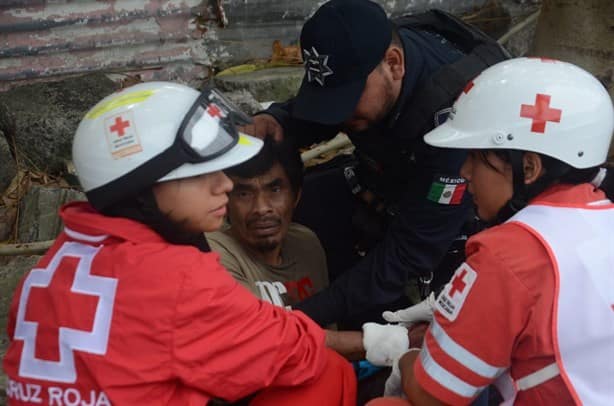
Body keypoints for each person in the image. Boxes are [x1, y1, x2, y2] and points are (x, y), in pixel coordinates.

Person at [2, 82, 356, 405]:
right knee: (326, 373)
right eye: (202, 174)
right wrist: (385, 342)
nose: (225, 185)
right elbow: (287, 351)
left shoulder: (53, 264)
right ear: (141, 189)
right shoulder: (176, 276)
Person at [243, 0, 510, 327]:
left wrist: (300, 320)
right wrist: (279, 120)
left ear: (394, 64)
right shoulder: (368, 57)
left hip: (449, 223)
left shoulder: (454, 120)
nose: (339, 114)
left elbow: (408, 254)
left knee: (379, 307)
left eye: (347, 99)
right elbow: (328, 106)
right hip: (383, 179)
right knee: (291, 206)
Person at [367, 57, 614, 405]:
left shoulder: (507, 257)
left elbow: (432, 395)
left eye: (477, 157)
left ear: (528, 167)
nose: (465, 172)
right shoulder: (603, 217)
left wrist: (404, 358)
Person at [207, 137, 329, 308]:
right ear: (225, 201)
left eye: (275, 190)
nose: (261, 208)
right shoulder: (212, 252)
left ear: (296, 197)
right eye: (244, 194)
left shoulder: (306, 243)